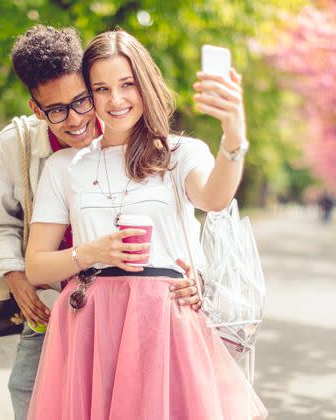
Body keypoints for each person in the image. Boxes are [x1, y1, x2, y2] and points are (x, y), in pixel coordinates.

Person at [25, 30, 267, 419]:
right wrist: (91, 253)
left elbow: (214, 197)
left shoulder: (179, 153)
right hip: (91, 327)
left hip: (164, 324)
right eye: (101, 89)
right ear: (88, 95)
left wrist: (233, 136)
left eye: (127, 84)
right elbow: (35, 266)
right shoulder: (64, 168)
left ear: (147, 84)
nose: (116, 100)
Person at [0, 25, 200, 420]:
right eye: (57, 111)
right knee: (30, 388)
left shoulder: (120, 125)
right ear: (36, 108)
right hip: (58, 295)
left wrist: (196, 270)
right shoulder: (16, 145)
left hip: (126, 297)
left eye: (82, 100)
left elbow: (174, 209)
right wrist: (16, 276)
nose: (76, 119)